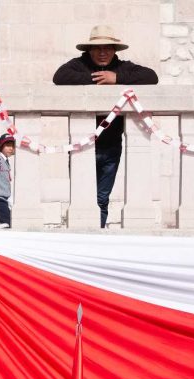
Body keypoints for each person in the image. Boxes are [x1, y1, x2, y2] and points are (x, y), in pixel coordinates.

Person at [53, 25, 159, 228]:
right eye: (98, 48)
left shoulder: (123, 68)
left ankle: (98, 234)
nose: (103, 53)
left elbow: (151, 77)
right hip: (83, 144)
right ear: (89, 50)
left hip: (111, 146)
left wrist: (117, 78)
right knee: (82, 198)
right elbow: (60, 77)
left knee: (102, 198)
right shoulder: (78, 65)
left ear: (114, 50)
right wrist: (98, 80)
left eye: (107, 48)